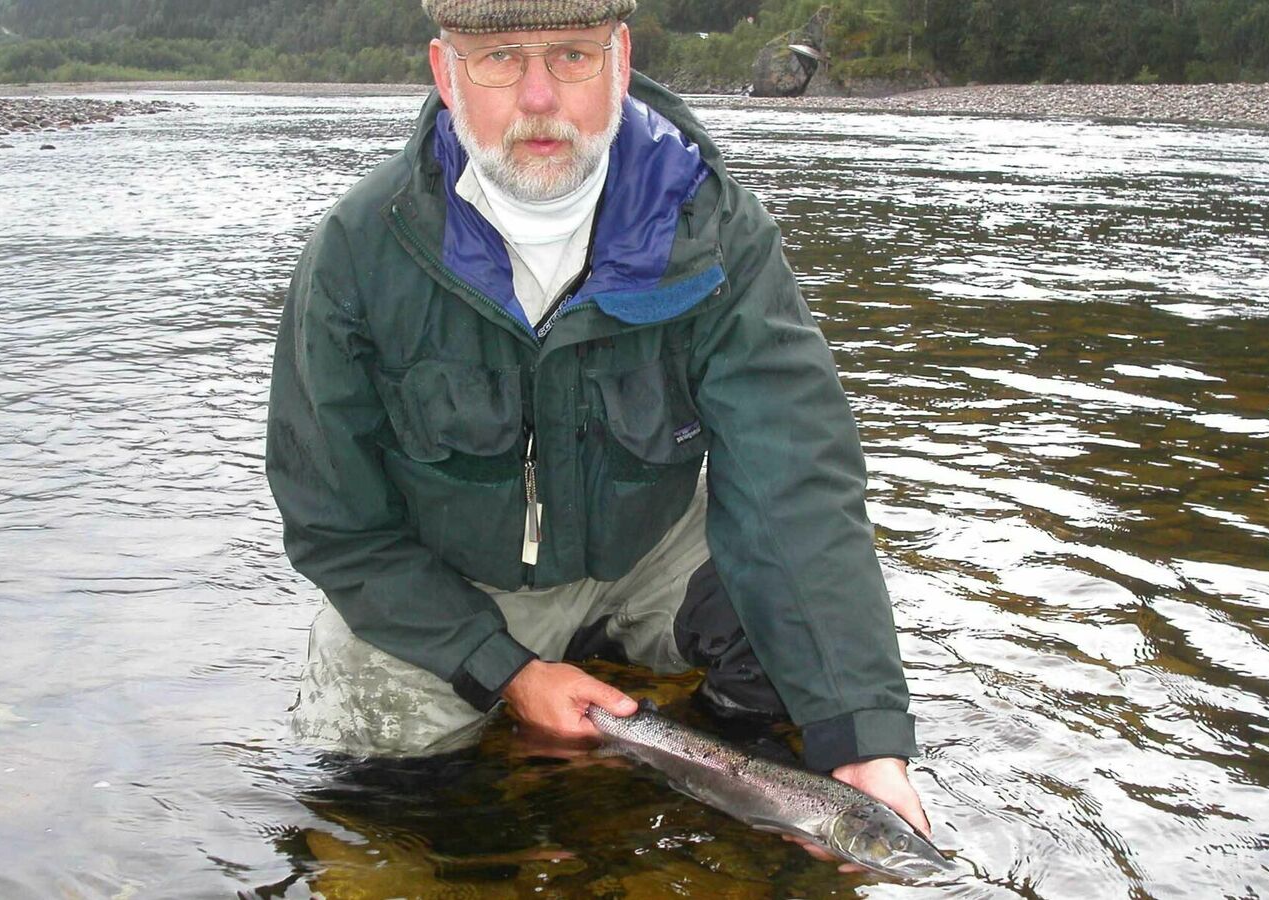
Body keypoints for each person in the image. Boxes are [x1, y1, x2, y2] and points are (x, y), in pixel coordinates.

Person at [265, 0, 931, 857]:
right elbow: (336, 527)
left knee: (802, 673)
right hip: (451, 579)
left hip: (645, 546)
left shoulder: (715, 231)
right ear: (444, 71)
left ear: (620, 58)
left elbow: (797, 485)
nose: (540, 97)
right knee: (386, 801)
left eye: (574, 56)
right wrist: (508, 672)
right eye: (500, 58)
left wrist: (865, 744)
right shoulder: (359, 251)